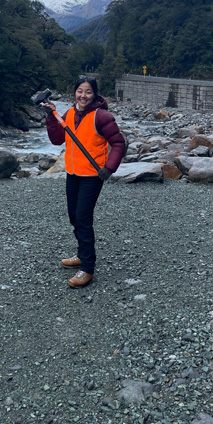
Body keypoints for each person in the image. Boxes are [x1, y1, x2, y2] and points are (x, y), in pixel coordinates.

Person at [43, 75, 125, 289]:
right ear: (75, 93)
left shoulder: (102, 116)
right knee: (73, 216)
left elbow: (118, 143)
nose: (83, 96)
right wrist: (51, 117)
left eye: (88, 92)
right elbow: (56, 139)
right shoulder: (69, 113)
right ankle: (82, 254)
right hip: (73, 173)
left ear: (95, 94)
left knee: (82, 218)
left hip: (92, 176)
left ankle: (87, 268)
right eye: (80, 91)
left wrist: (109, 168)